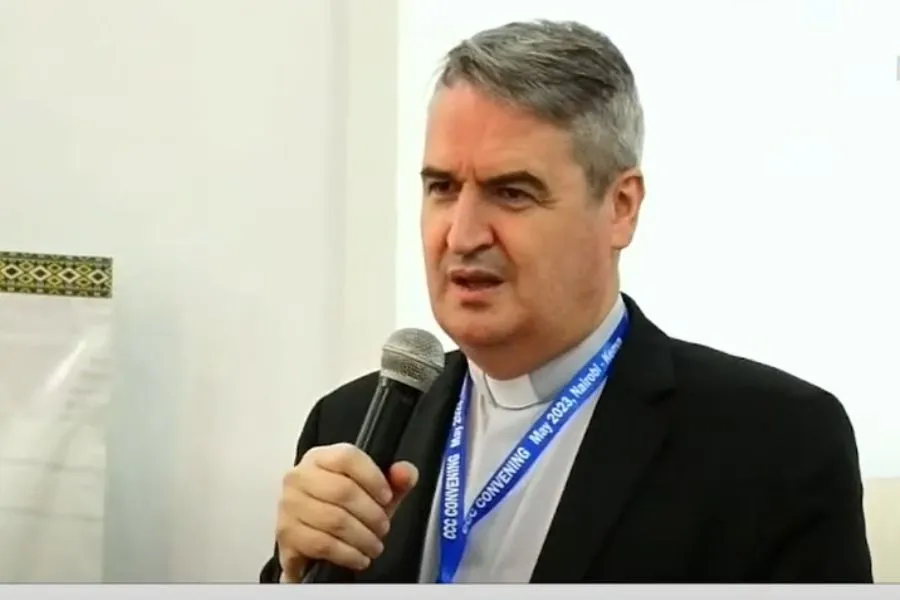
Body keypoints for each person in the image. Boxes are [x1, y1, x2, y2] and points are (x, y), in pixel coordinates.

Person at [259, 19, 872, 584]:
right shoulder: (348, 427)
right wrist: (294, 578)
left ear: (620, 208)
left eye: (512, 192)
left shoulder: (774, 444)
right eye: (442, 187)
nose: (462, 236)